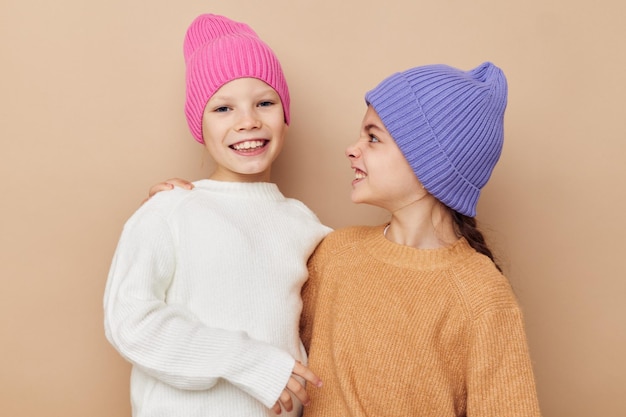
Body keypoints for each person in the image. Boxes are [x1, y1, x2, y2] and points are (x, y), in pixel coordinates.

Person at [147, 63, 542, 416]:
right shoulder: (336, 254)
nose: (352, 149)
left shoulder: (482, 295)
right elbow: (251, 309)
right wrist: (190, 211)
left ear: (429, 162)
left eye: (373, 138)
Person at [103, 14, 330, 417]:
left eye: (265, 102)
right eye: (223, 108)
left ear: (285, 113)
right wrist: (249, 362)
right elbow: (130, 321)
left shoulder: (305, 225)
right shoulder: (170, 210)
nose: (248, 121)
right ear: (198, 124)